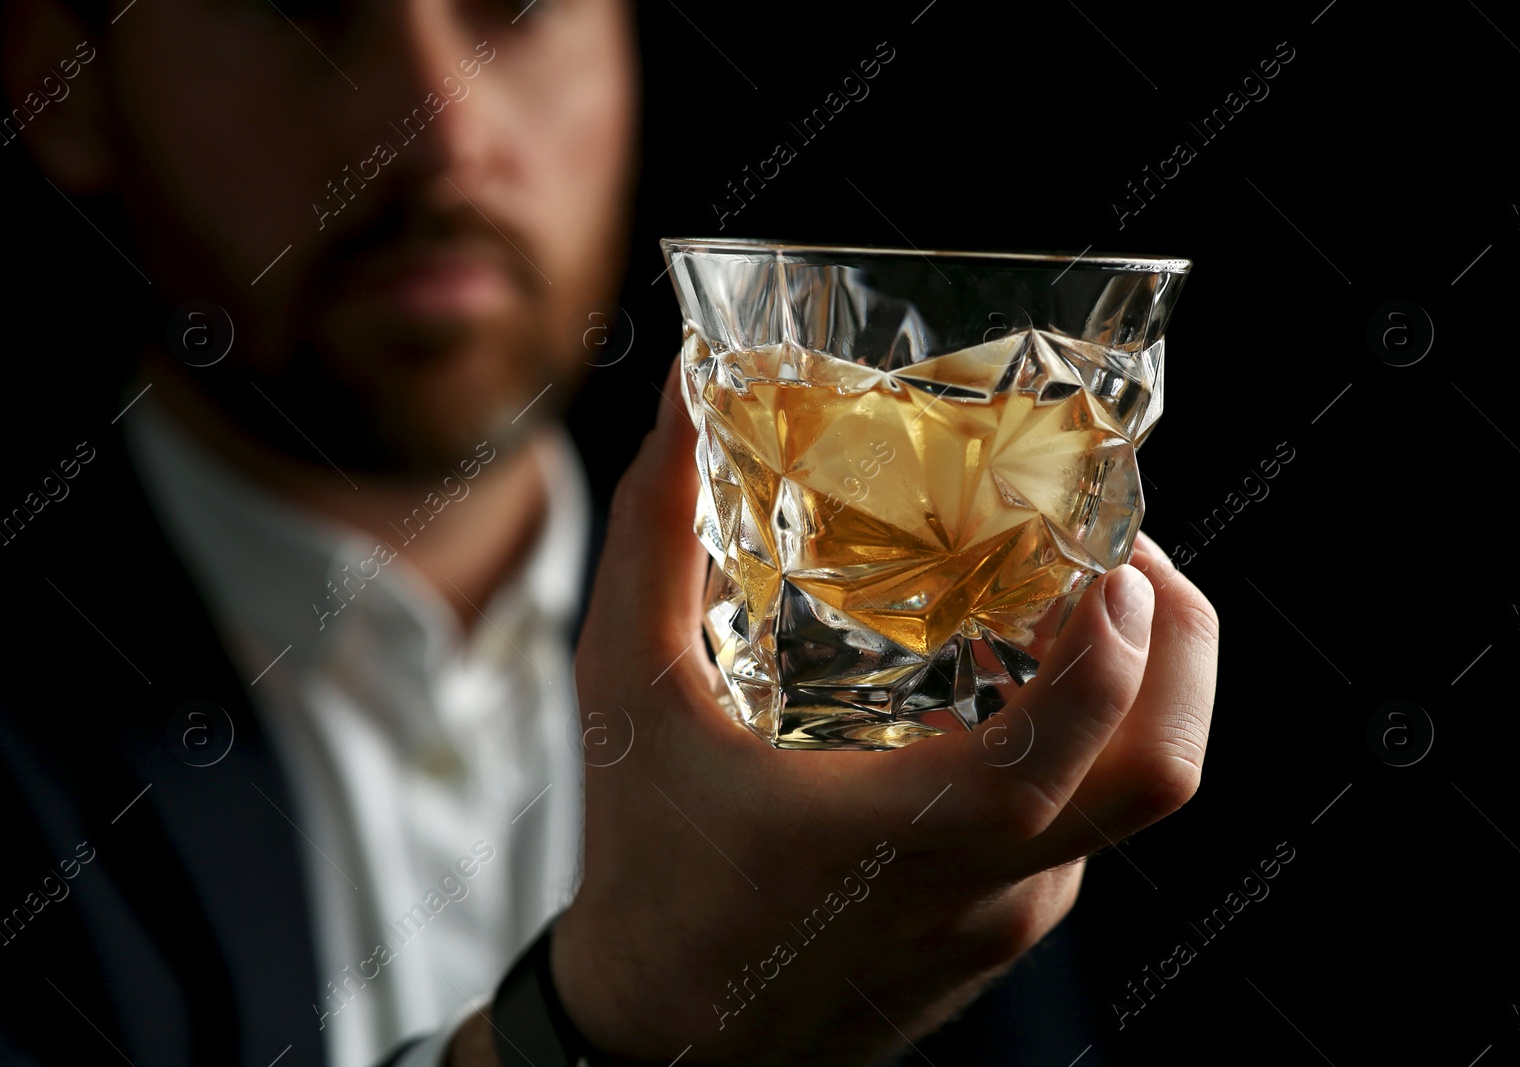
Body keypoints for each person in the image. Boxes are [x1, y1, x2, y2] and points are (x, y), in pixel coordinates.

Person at [0, 1, 1220, 1064]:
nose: (441, 133)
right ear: (67, 80)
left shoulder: (928, 684)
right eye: (296, 5)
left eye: (523, 2)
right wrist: (599, 1033)